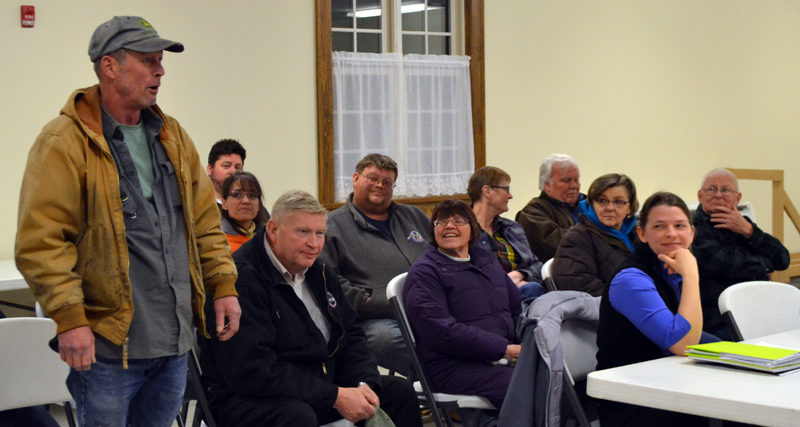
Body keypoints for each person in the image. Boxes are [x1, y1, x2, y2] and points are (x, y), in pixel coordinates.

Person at [15, 16, 241, 426]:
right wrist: (69, 319)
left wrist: (222, 285)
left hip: (172, 340)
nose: (160, 70)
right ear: (109, 67)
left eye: (160, 61)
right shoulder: (64, 143)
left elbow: (205, 222)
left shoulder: (172, 136)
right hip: (106, 347)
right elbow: (43, 243)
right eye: (148, 60)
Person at [198, 190, 422, 427]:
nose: (314, 244)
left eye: (320, 233)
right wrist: (334, 396)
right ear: (273, 230)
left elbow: (351, 334)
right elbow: (253, 369)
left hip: (316, 386)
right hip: (249, 397)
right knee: (298, 416)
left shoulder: (319, 272)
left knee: (398, 392)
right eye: (303, 232)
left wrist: (363, 384)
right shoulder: (241, 279)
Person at [596, 192, 716, 426]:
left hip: (670, 383)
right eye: (659, 226)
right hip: (634, 401)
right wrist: (692, 276)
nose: (671, 233)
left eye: (679, 225)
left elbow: (696, 335)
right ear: (641, 233)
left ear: (692, 232)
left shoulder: (671, 268)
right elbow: (683, 344)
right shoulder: (630, 279)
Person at [404, 199, 523, 409]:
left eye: (458, 220)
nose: (449, 226)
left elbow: (516, 308)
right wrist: (505, 349)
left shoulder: (485, 260)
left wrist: (527, 341)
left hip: (497, 358)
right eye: (441, 222)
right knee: (525, 386)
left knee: (558, 375)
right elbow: (441, 331)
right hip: (451, 366)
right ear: (433, 231)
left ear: (472, 228)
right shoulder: (425, 272)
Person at [321, 153, 430, 377]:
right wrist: (369, 302)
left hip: (430, 308)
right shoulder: (332, 226)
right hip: (374, 318)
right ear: (355, 178)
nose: (380, 185)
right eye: (372, 178)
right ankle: (447, 387)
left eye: (387, 182)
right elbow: (327, 281)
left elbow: (442, 255)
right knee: (388, 339)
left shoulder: (414, 216)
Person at [693, 168, 790, 341]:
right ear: (700, 196)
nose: (718, 195)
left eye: (725, 190)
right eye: (712, 189)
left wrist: (750, 231)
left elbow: (782, 259)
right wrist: (764, 265)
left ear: (737, 198)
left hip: (759, 312)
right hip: (720, 319)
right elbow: (726, 263)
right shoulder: (693, 229)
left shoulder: (743, 225)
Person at [551, 173, 639, 296]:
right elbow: (577, 283)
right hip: (610, 310)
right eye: (602, 201)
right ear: (592, 204)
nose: (609, 208)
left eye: (618, 202)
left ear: (630, 207)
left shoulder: (640, 233)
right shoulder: (577, 237)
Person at [468, 166, 546, 299]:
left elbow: (536, 265)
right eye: (506, 190)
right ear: (487, 191)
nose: (510, 196)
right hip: (483, 297)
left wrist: (520, 275)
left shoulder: (512, 228)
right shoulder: (462, 229)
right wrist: (504, 283)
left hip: (523, 291)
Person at [516, 154, 586, 261]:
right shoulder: (532, 213)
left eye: (576, 180)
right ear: (547, 185)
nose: (574, 186)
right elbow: (560, 244)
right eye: (566, 180)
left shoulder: (590, 203)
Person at [220, 172, 269, 253]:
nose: (246, 201)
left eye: (252, 195)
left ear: (259, 205)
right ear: (224, 203)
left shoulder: (269, 240)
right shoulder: (216, 242)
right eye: (237, 195)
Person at [207, 138, 246, 203]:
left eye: (238, 168)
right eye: (226, 166)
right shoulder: (197, 204)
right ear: (210, 169)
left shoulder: (249, 205)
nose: (233, 172)